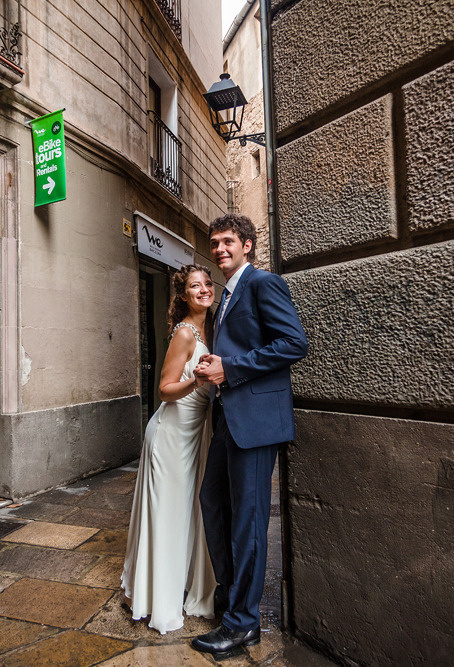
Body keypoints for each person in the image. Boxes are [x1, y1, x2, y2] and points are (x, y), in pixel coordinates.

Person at [191, 214, 308, 658]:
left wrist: (231, 368)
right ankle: (231, 599)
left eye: (227, 241)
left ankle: (242, 624)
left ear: (247, 245)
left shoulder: (263, 283)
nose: (219, 249)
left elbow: (294, 343)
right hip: (228, 419)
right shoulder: (226, 295)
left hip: (256, 423)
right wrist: (214, 369)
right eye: (214, 243)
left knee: (248, 523)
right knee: (213, 503)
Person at [121, 264, 219, 634]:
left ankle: (185, 585)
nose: (204, 289)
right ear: (183, 295)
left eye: (207, 283)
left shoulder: (212, 327)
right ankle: (158, 597)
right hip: (171, 436)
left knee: (189, 512)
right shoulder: (186, 333)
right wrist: (196, 381)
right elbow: (164, 389)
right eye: (195, 286)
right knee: (170, 514)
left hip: (196, 434)